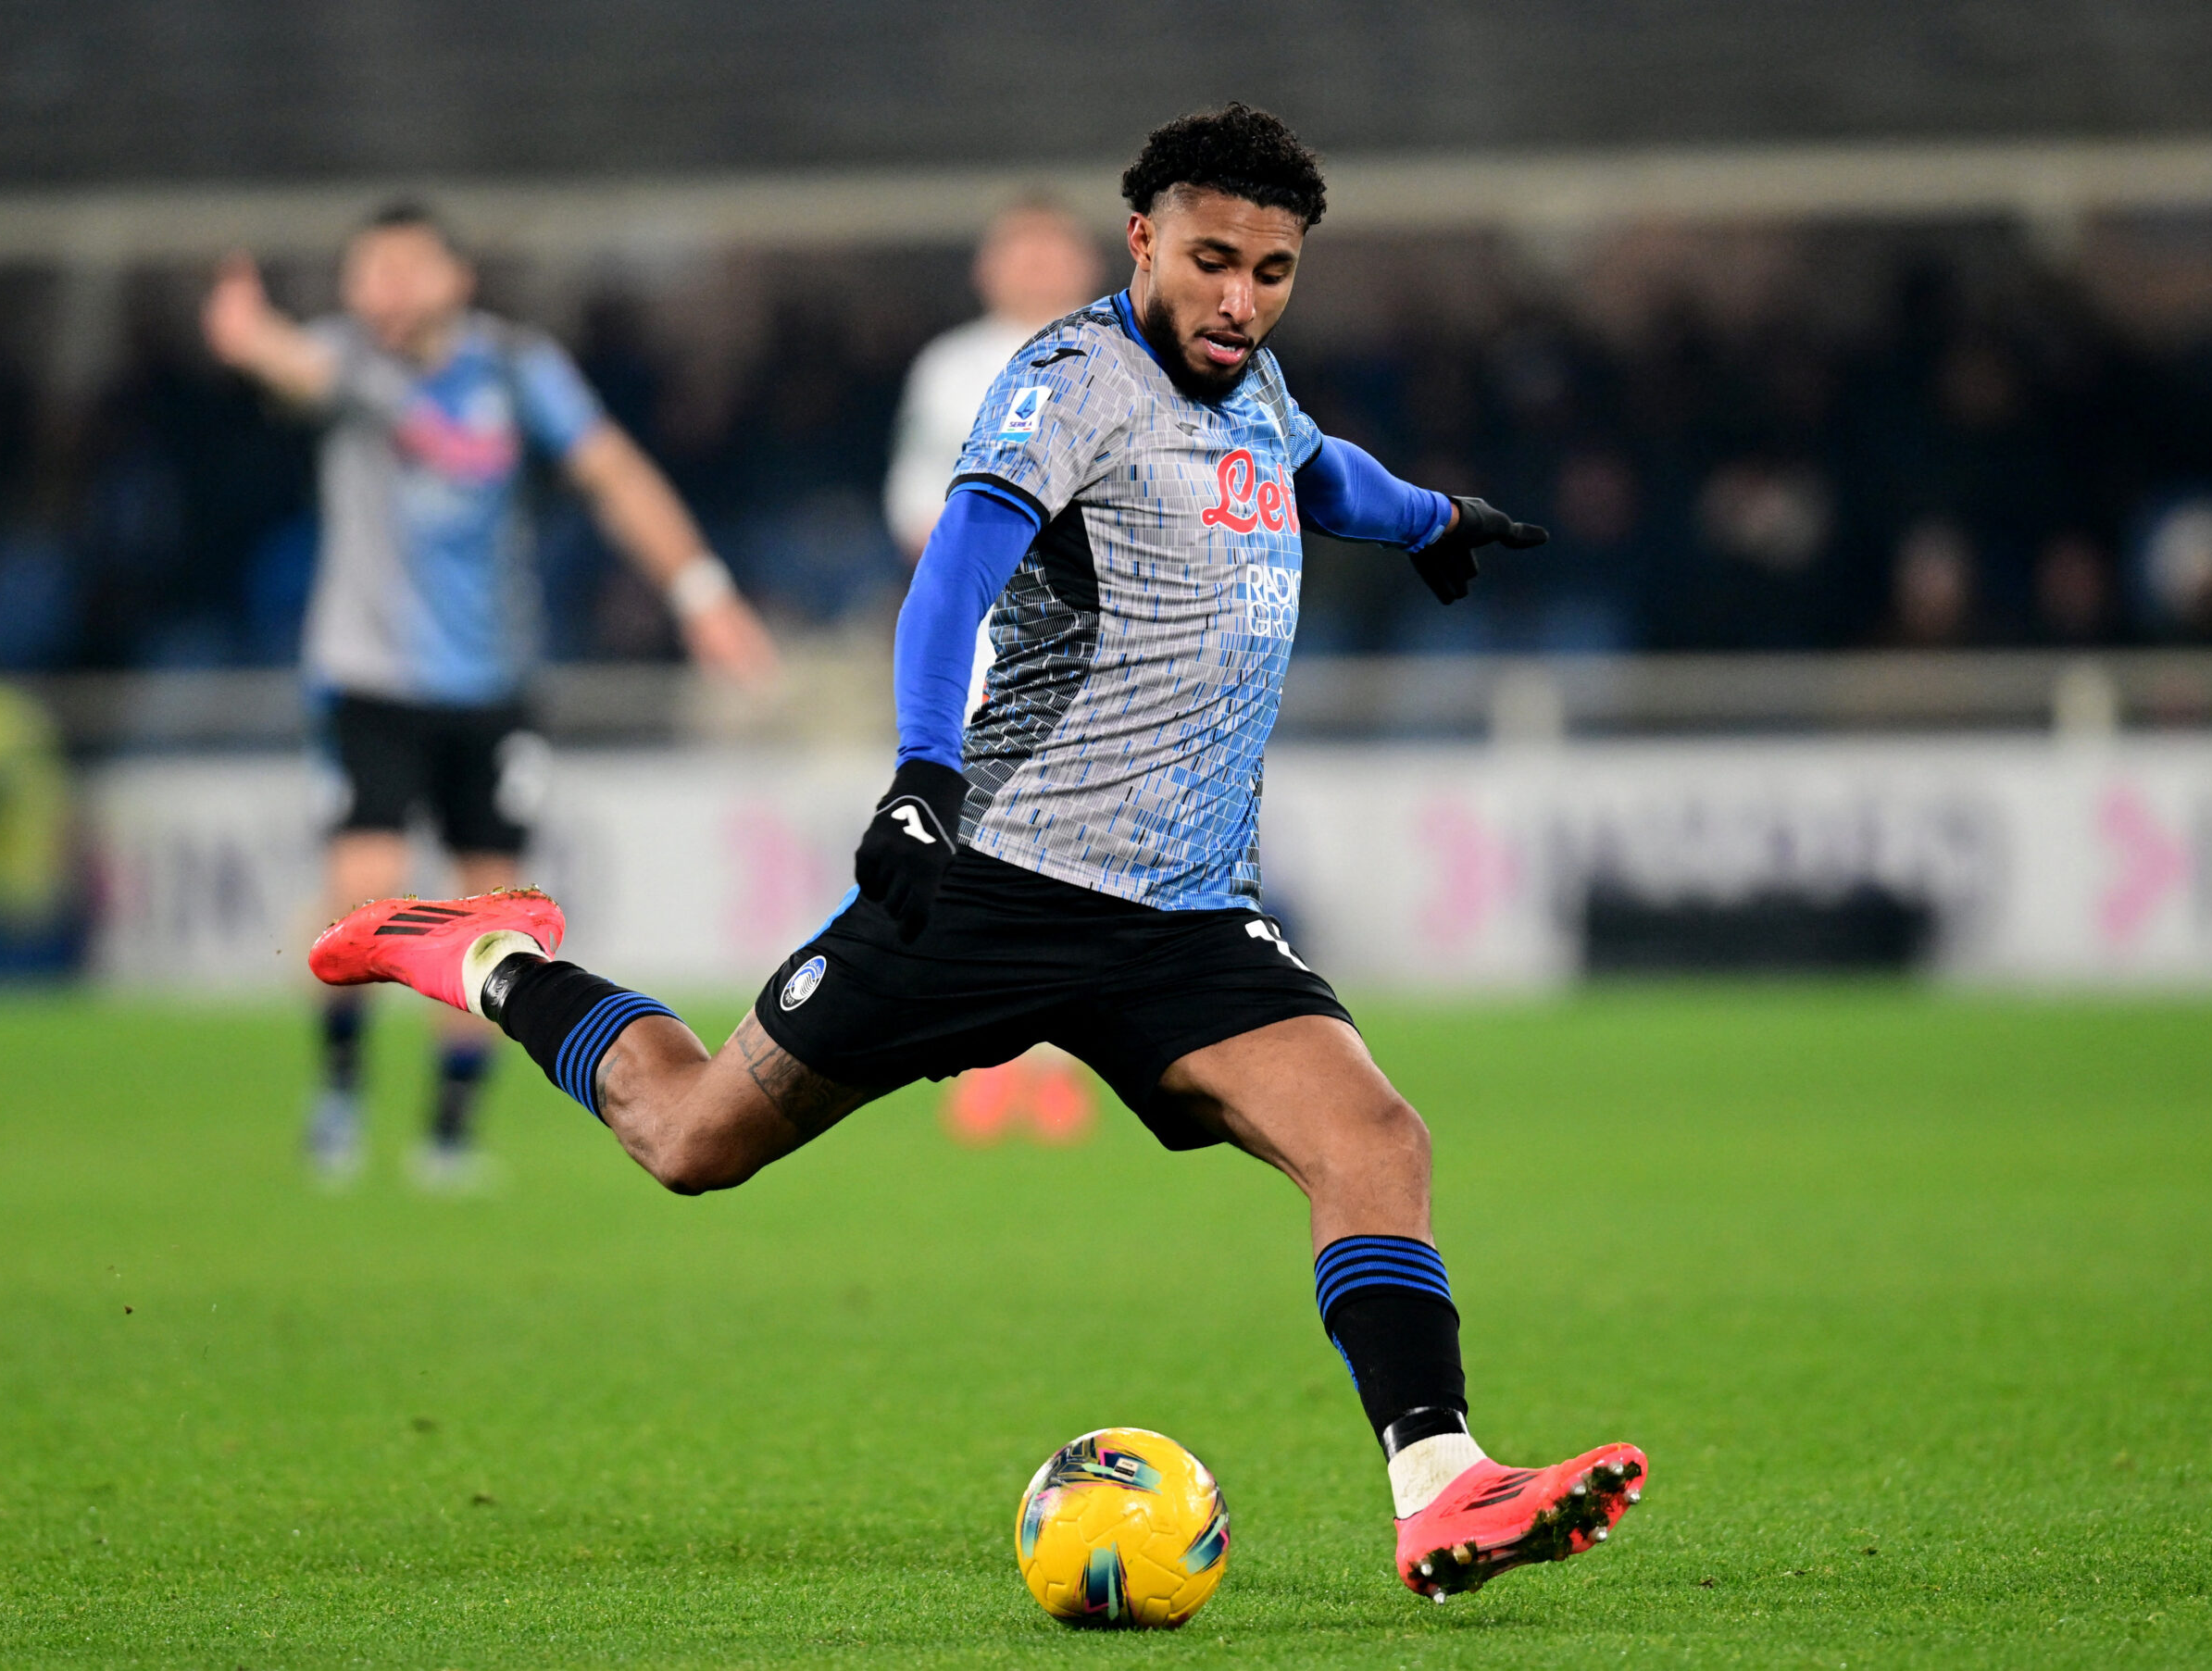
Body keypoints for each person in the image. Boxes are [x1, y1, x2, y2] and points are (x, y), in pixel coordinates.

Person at [308, 109, 1643, 1597]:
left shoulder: (1250, 382)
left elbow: (1316, 470)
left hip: (1187, 916)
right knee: (688, 1138)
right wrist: (923, 779)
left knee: (1377, 1140)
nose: (1239, 301)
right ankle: (487, 954)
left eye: (1272, 273)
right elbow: (952, 576)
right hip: (996, 879)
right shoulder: (1069, 383)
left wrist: (1430, 517)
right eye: (1210, 262)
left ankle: (1442, 1486)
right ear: (1139, 239)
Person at [202, 202, 776, 1188]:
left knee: (487, 916)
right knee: (363, 888)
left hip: (494, 686)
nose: (378, 290)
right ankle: (339, 1091)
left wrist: (700, 590)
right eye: (364, 271)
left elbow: (613, 472)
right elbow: (294, 365)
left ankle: (450, 1129)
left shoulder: (516, 371)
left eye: (400, 269)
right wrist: (249, 340)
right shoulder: (350, 364)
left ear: (455, 278)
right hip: (369, 679)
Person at [884, 201, 1107, 1146]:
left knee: (1081, 849)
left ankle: (1057, 1063)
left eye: (1051, 248)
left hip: (1104, 643)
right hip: (986, 644)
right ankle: (985, 1059)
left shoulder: (1127, 360)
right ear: (987, 266)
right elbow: (910, 501)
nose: (1035, 265)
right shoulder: (950, 367)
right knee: (980, 849)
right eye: (1018, 248)